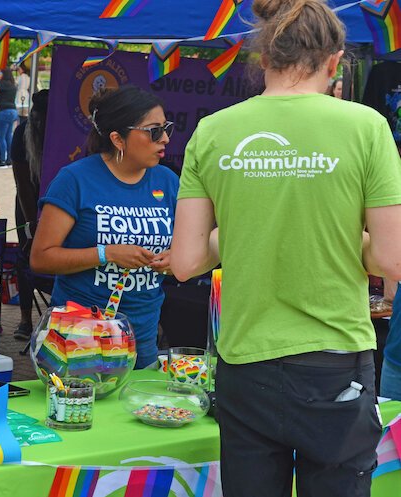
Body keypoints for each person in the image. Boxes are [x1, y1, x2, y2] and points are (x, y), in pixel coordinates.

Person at [170, 1, 401, 496]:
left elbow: (186, 262)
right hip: (335, 361)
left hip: (245, 366)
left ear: (263, 58)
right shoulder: (366, 127)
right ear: (335, 60)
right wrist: (339, 235)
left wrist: (250, 227)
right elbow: (391, 259)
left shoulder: (212, 132)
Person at [30, 85, 178, 368]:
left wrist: (173, 259)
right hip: (77, 341)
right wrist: (105, 253)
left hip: (142, 340)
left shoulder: (167, 182)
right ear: (118, 139)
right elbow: (40, 258)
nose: (166, 139)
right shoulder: (75, 180)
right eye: (154, 130)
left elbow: (184, 246)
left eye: (166, 128)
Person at [10, 90, 52, 340]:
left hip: (58, 199)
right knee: (25, 255)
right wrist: (32, 224)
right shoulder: (22, 133)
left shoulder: (60, 130)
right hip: (28, 201)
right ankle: (26, 319)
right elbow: (22, 183)